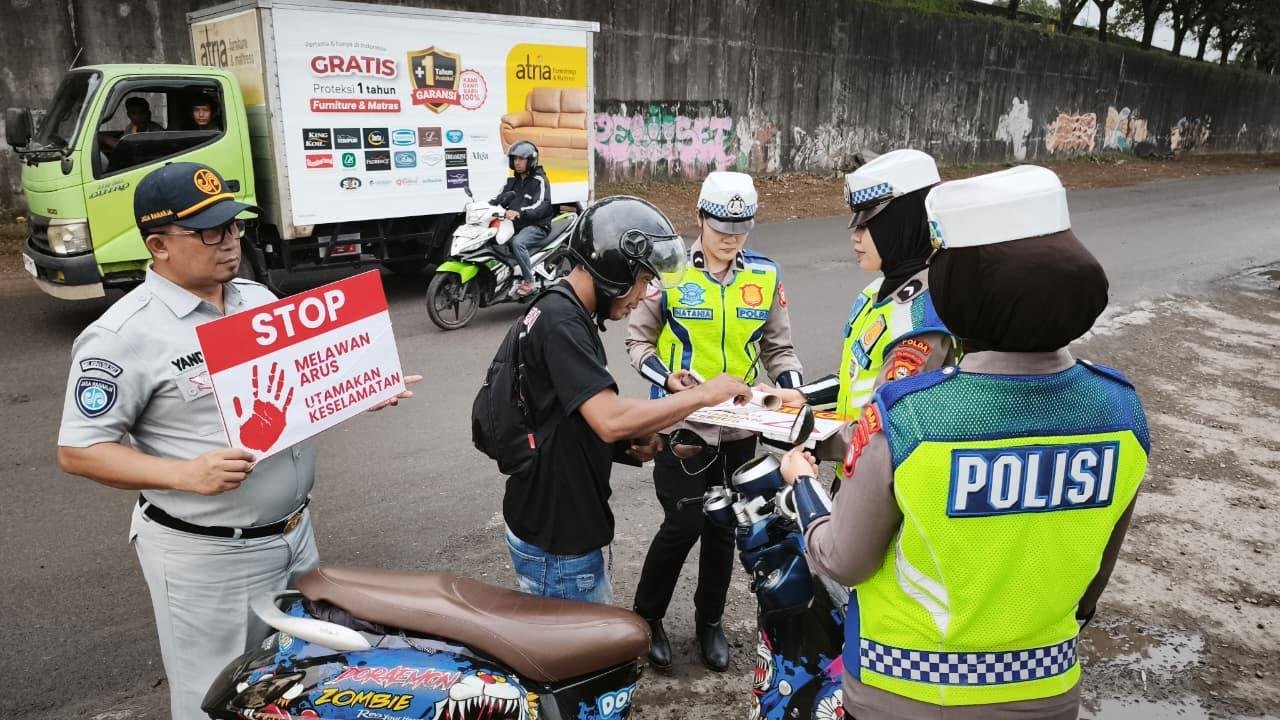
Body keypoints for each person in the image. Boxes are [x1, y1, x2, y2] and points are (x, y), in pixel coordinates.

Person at [780, 165, 1150, 720]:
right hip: (1045, 692)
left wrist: (803, 488)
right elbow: (1091, 584)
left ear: (966, 291)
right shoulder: (1122, 413)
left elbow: (844, 559)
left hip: (904, 693)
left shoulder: (913, 419)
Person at [55, 162, 419, 720]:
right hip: (208, 554)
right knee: (214, 698)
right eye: (209, 232)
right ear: (159, 245)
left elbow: (296, 389)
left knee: (297, 684)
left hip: (296, 536)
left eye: (232, 227)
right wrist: (183, 474)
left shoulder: (253, 299)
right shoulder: (122, 336)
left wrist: (355, 390)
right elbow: (78, 450)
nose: (228, 242)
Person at [502, 195, 752, 604]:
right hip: (559, 539)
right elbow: (610, 418)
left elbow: (559, 413)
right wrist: (705, 394)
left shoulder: (564, 313)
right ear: (614, 268)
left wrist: (625, 445)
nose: (644, 293)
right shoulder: (562, 323)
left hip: (556, 518)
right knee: (579, 661)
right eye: (642, 279)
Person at [624, 171, 802, 672]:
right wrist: (669, 378)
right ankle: (647, 619)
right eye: (721, 228)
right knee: (681, 526)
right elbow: (636, 343)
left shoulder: (765, 275)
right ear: (700, 217)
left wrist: (790, 387)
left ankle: (710, 623)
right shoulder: (670, 271)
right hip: (682, 424)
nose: (730, 240)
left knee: (725, 529)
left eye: (740, 230)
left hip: (741, 427)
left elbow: (778, 348)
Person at [763, 149, 958, 484]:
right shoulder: (876, 292)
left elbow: (889, 429)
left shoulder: (922, 320)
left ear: (903, 225)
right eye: (855, 221)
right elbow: (858, 380)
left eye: (869, 224)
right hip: (856, 476)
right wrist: (802, 396)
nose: (855, 234)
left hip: (890, 491)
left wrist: (806, 436)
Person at [491, 140, 554, 297]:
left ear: (531, 160)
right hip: (515, 224)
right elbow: (499, 198)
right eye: (515, 159)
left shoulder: (539, 180)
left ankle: (529, 281)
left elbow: (542, 205)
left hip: (537, 225)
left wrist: (520, 213)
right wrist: (485, 207)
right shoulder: (512, 182)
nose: (517, 162)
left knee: (517, 243)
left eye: (521, 159)